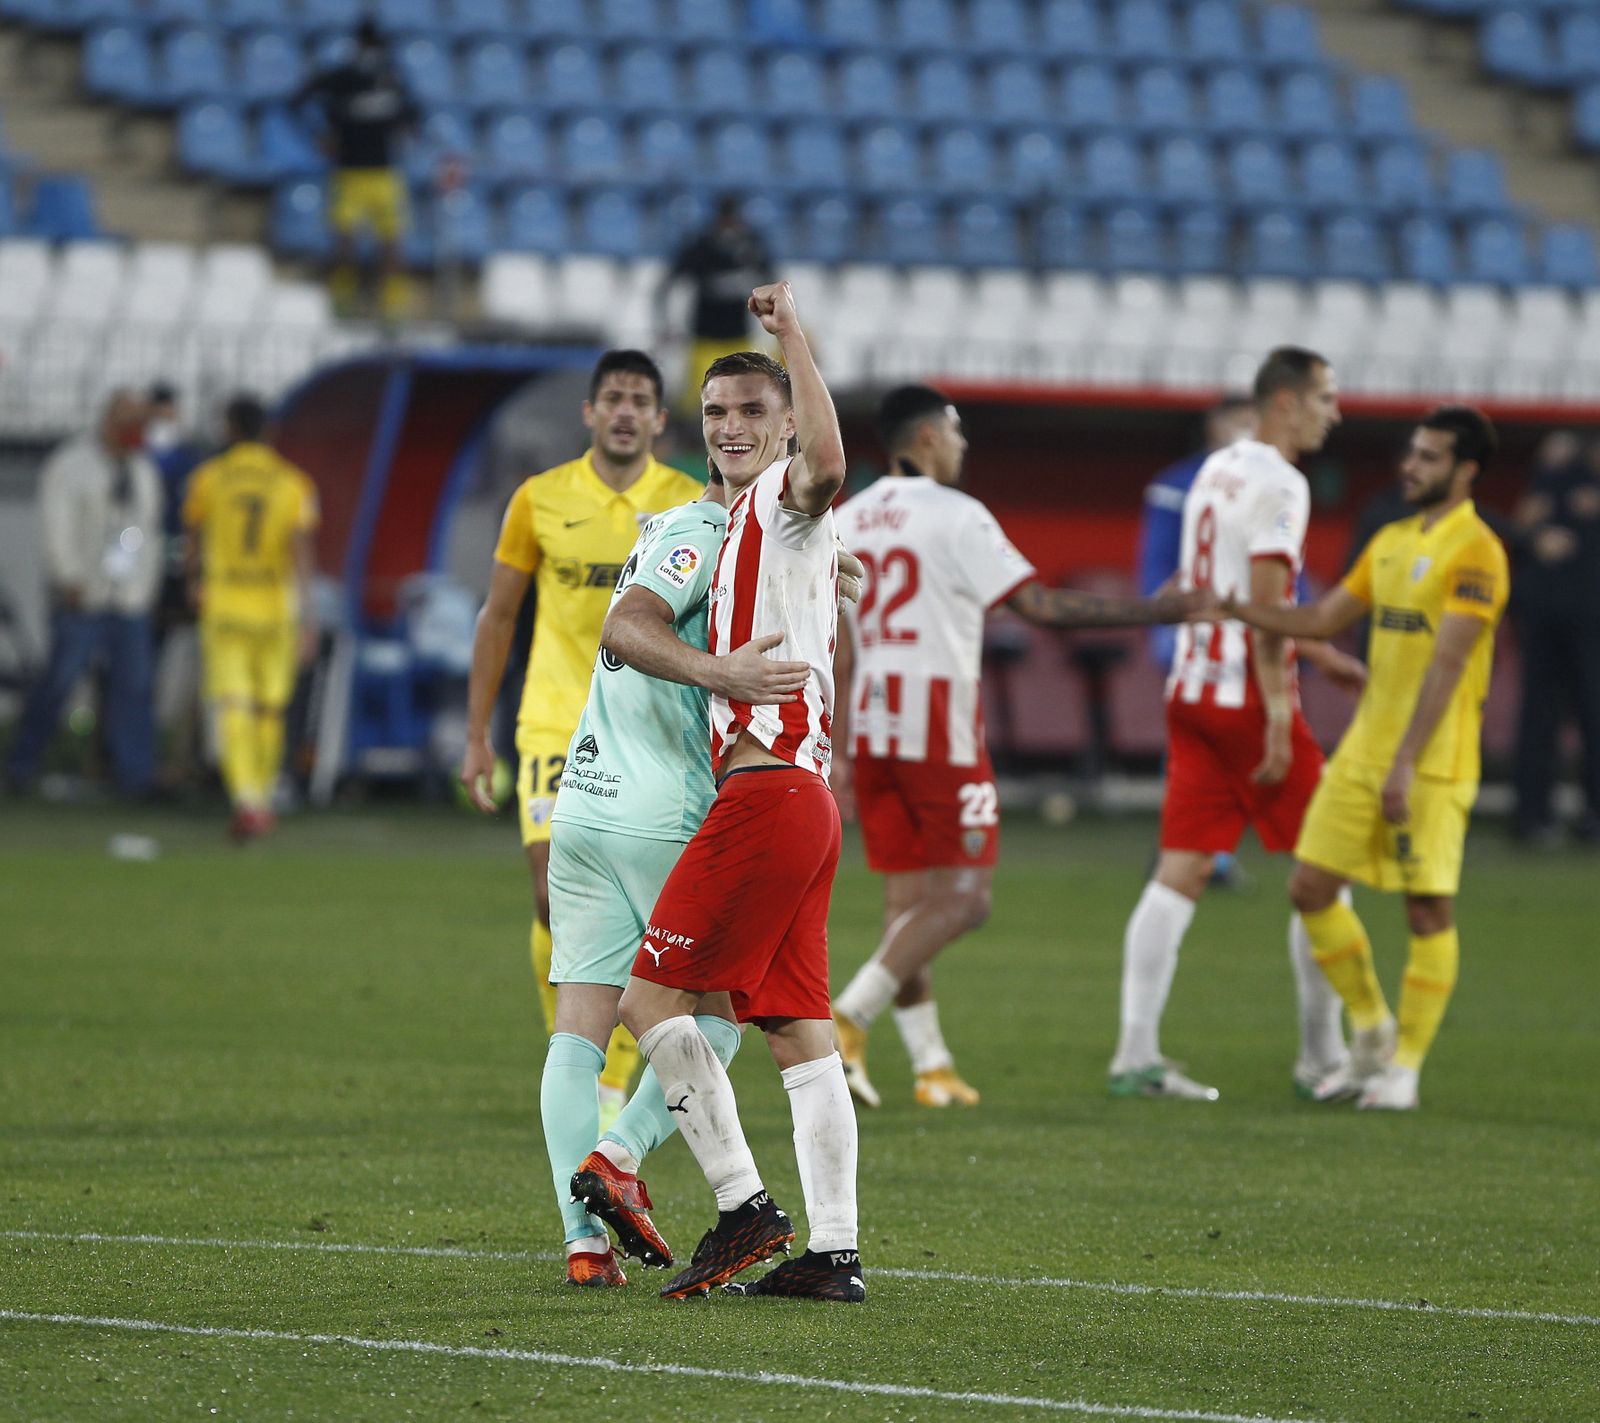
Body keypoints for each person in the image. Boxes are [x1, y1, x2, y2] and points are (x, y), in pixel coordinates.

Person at [828, 385, 1204, 1111]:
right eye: (957, 432)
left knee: (908, 906)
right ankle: (848, 1015)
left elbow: (840, 646)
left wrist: (840, 746)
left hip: (874, 721)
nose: (963, 447)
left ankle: (932, 1065)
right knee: (966, 901)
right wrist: (1159, 607)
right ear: (929, 438)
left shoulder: (847, 519)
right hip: (939, 723)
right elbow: (1043, 608)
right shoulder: (959, 514)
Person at [615, 284, 864, 1303]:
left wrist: (792, 334)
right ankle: (835, 1252)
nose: (728, 430)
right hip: (802, 799)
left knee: (649, 997)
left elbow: (832, 470)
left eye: (752, 412)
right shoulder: (748, 528)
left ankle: (741, 1204)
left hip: (767, 793)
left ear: (786, 424)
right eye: (715, 414)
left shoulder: (781, 501)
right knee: (800, 1028)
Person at [1222, 407, 1509, 1111]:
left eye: (1430, 457)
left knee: (1426, 908)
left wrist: (1407, 762)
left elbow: (1448, 663)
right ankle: (1374, 1027)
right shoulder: (1390, 538)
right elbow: (1322, 621)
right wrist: (1231, 606)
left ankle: (1404, 1069)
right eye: (1412, 453)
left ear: (1465, 470)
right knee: (1310, 888)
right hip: (1363, 750)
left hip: (1432, 761)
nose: (1411, 466)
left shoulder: (1477, 551)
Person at [1108, 347, 1366, 1103]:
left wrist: (1318, 651)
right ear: (1285, 402)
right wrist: (1284, 711)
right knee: (1325, 871)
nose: (1335, 412)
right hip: (1249, 699)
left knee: (1180, 869)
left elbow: (1204, 588)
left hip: (1192, 686)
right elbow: (1262, 605)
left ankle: (1134, 1054)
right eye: (1325, 397)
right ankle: (1322, 1059)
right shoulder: (1282, 481)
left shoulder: (1219, 468)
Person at [459, 351, 704, 1132]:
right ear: (590, 413)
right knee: (549, 898)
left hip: (647, 729)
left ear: (660, 420)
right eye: (613, 398)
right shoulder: (538, 498)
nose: (626, 411)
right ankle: (576, 1049)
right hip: (554, 722)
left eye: (641, 400)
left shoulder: (690, 502)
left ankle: (605, 1078)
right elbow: (498, 616)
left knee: (644, 908)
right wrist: (476, 734)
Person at [7, 389, 162, 799]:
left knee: (134, 687)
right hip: (82, 596)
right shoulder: (72, 464)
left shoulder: (142, 470)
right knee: (60, 682)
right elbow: (55, 525)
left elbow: (146, 533)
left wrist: (144, 587)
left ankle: (135, 776)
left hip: (128, 597)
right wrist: (67, 575)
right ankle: (21, 766)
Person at [182, 395, 319, 841]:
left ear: (229, 428)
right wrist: (309, 617)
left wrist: (193, 584)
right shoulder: (293, 482)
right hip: (276, 609)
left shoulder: (208, 478)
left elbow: (192, 539)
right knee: (270, 708)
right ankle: (262, 792)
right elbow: (300, 551)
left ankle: (247, 799)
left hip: (224, 604)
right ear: (268, 432)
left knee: (234, 704)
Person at [1510, 431, 1600, 846]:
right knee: (1538, 720)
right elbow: (1519, 527)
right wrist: (1534, 535)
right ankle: (1532, 817)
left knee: (1591, 719)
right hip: (1545, 623)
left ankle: (1590, 818)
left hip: (1589, 627)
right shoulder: (1553, 484)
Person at [295, 19, 419, 319]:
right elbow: (297, 100)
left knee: (391, 244)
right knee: (344, 243)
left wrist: (407, 131)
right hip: (348, 173)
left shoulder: (393, 79)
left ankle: (394, 310)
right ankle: (341, 303)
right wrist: (318, 135)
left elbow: (414, 114)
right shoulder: (342, 78)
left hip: (385, 173)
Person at [659, 197, 774, 415]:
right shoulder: (701, 247)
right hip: (704, 339)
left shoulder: (751, 246)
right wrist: (666, 322)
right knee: (701, 399)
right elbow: (669, 284)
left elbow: (771, 281)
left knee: (743, 399)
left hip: (739, 338)